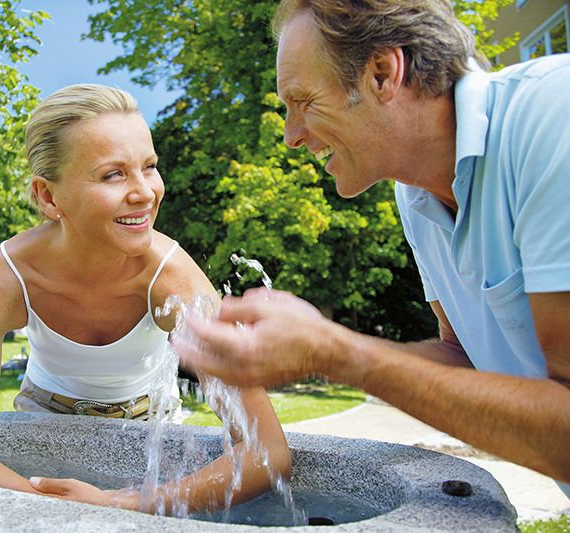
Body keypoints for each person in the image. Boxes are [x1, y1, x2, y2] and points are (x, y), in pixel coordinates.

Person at [175, 0, 570, 494]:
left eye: (303, 100)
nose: (292, 136)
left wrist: (336, 351)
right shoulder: (415, 193)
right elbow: (464, 359)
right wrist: (313, 345)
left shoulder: (553, 116)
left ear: (383, 74)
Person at [0, 84, 291, 513]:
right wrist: (60, 509)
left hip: (151, 427)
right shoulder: (0, 281)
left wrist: (121, 503)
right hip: (44, 422)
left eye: (149, 167)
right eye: (113, 174)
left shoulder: (172, 280)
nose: (145, 192)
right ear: (48, 196)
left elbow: (266, 452)